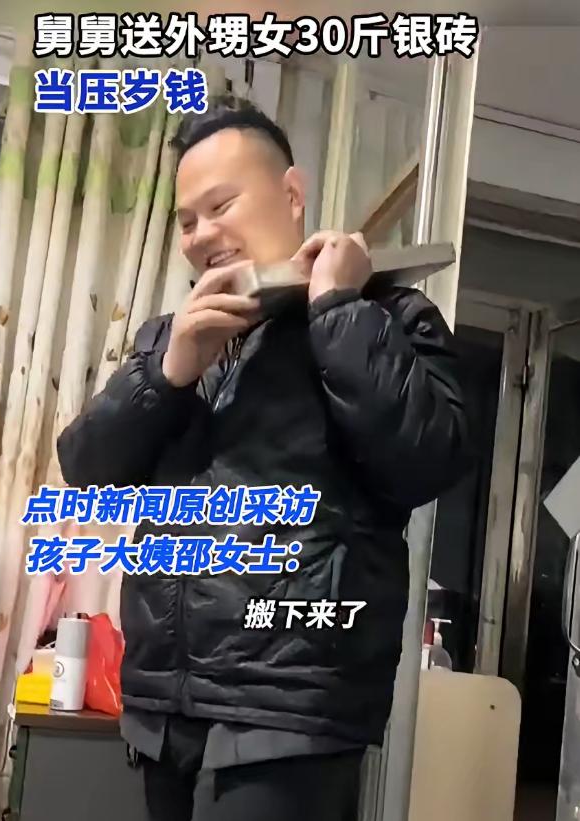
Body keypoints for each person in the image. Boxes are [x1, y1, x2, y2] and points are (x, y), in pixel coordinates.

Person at [57, 98, 471, 821]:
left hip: (289, 710)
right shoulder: (170, 337)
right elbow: (85, 470)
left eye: (221, 205)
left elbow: (428, 459)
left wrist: (337, 309)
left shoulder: (388, 315)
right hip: (162, 707)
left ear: (291, 194)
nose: (201, 235)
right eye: (187, 220)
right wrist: (168, 371)